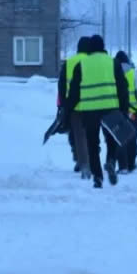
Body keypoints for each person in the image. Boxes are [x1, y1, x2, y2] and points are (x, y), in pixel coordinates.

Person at [66, 35, 130, 188]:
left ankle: (98, 177)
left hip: (90, 110)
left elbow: (74, 92)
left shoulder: (81, 65)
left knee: (92, 145)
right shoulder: (113, 63)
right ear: (103, 47)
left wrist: (67, 111)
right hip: (110, 107)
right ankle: (110, 161)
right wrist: (124, 110)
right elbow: (123, 88)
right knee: (112, 138)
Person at [58, 36, 91, 176]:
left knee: (78, 135)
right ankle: (88, 161)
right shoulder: (92, 62)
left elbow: (61, 85)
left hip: (73, 106)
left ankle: (83, 162)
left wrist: (63, 104)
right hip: (92, 104)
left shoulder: (69, 62)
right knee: (91, 135)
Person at [112, 50, 137, 174]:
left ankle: (123, 166)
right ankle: (131, 163)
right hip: (133, 113)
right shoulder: (133, 73)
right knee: (132, 138)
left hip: (117, 112)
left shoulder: (111, 73)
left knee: (120, 138)